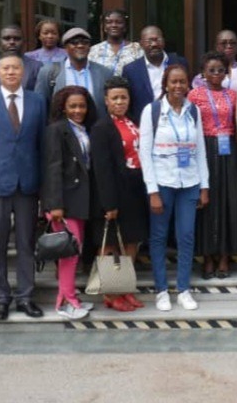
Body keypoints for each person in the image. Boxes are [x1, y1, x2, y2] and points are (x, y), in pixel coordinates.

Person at [0, 54, 48, 321]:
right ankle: (1, 298)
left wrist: (44, 187)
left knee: (26, 243)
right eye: (5, 68)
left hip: (28, 184)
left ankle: (25, 296)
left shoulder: (38, 101)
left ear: (23, 72)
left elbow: (43, 146)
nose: (11, 72)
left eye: (15, 67)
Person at [139, 65, 210, 312]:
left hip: (189, 183)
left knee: (186, 236)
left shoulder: (194, 111)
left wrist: (204, 186)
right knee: (158, 237)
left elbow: (200, 150)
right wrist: (152, 191)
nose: (178, 86)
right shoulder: (152, 111)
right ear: (166, 84)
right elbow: (145, 153)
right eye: (174, 82)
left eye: (182, 82)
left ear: (188, 84)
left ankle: (183, 289)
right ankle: (161, 290)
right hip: (162, 183)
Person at [91, 76, 149, 312]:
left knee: (131, 242)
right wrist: (109, 204)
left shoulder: (133, 121)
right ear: (106, 101)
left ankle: (125, 289)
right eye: (114, 98)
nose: (119, 102)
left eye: (123, 97)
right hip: (114, 194)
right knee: (111, 246)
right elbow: (102, 169)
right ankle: (111, 293)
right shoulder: (101, 128)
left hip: (134, 191)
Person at [42, 86, 99, 320]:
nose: (78, 110)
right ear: (63, 108)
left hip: (80, 199)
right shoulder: (56, 130)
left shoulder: (84, 129)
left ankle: (69, 296)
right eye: (73, 106)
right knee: (69, 254)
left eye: (82, 106)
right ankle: (66, 302)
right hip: (63, 202)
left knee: (75, 250)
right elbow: (52, 168)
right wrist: (55, 205)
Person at [187, 52, 237, 279]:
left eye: (221, 70)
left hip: (229, 151)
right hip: (205, 149)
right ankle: (207, 256)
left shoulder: (234, 95)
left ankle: (224, 255)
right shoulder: (194, 95)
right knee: (207, 204)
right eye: (211, 70)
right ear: (203, 72)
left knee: (228, 202)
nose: (217, 74)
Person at [35, 27, 113, 118]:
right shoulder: (49, 72)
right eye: (74, 42)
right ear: (65, 47)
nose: (80, 46)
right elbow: (40, 104)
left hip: (96, 125)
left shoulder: (104, 73)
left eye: (85, 42)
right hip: (63, 125)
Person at [123, 25, 189, 120]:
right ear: (141, 44)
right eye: (149, 41)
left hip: (178, 119)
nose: (154, 44)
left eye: (157, 40)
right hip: (144, 122)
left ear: (164, 41)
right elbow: (128, 103)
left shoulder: (179, 62)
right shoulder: (131, 70)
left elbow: (187, 91)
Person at [0, 25, 44, 95]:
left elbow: (39, 97)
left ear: (23, 41)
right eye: (7, 39)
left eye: (17, 39)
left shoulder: (36, 67)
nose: (12, 42)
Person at [89, 9, 144, 76]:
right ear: (104, 27)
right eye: (109, 22)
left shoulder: (137, 49)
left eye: (119, 22)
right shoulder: (94, 50)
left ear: (125, 26)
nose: (114, 25)